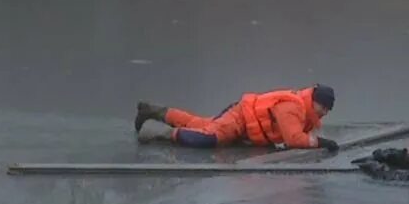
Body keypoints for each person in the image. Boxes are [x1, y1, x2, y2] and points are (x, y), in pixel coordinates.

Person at [134, 84, 339, 151]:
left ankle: (152, 111)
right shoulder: (292, 108)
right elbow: (293, 139)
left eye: (328, 110)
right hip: (241, 118)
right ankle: (159, 134)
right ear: (314, 101)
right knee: (210, 138)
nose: (325, 113)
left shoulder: (307, 114)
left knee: (200, 124)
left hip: (246, 124)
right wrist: (321, 142)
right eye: (324, 107)